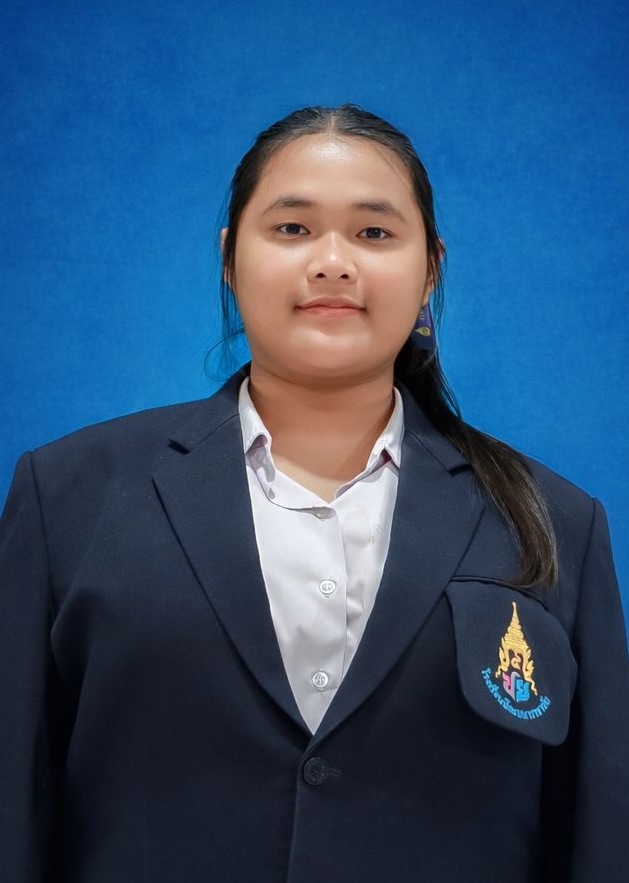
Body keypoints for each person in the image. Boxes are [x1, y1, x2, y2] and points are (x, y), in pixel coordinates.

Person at [1, 103, 628, 883]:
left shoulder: (555, 522)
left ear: (430, 267)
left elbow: (598, 833)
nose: (332, 262)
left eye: (374, 232)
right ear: (229, 258)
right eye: (292, 228)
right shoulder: (68, 496)